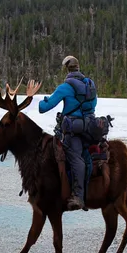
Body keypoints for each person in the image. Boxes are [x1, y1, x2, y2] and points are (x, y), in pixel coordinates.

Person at [40, 55, 101, 210]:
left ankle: (79, 197)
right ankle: (88, 189)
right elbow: (94, 103)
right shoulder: (89, 84)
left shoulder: (65, 88)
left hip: (74, 130)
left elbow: (43, 108)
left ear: (67, 69)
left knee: (75, 158)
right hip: (90, 129)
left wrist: (43, 100)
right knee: (87, 157)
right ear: (78, 68)